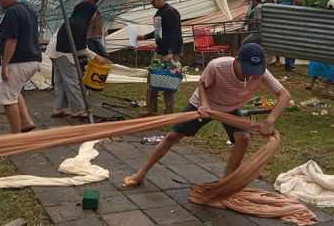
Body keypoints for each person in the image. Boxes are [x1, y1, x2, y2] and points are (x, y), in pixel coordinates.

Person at [119, 43, 291, 190]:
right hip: (204, 103)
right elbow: (202, 84)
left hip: (230, 108)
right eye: (246, 69)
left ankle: (225, 183)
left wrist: (270, 120)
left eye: (254, 70)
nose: (250, 75)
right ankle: (140, 174)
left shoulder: (260, 73)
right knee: (173, 136)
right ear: (237, 60)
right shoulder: (218, 66)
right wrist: (205, 105)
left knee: (243, 138)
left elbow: (284, 95)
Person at [46, 2, 108, 119]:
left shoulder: (73, 20)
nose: (94, 16)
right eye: (94, 13)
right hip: (62, 52)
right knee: (72, 81)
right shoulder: (80, 24)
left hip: (54, 51)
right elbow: (80, 48)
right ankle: (77, 110)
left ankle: (58, 108)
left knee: (61, 82)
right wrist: (95, 56)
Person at [0, 0, 42, 134]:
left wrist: (5, 65)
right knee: (15, 91)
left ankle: (16, 136)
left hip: (19, 60)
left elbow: (11, 40)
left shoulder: (12, 12)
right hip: (33, 58)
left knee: (7, 99)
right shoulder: (28, 9)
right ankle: (26, 122)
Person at [136, 0, 183, 115]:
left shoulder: (172, 12)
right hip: (159, 50)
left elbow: (175, 32)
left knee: (168, 82)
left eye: (153, 1)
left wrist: (171, 52)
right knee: (152, 79)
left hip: (170, 53)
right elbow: (158, 32)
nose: (152, 4)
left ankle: (169, 111)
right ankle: (151, 109)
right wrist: (144, 37)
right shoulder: (158, 14)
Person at [306, 0, 334, 94]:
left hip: (320, 45)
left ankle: (312, 84)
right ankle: (326, 88)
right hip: (332, 47)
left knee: (316, 63)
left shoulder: (322, 17)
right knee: (333, 66)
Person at [283, 0, 304, 71]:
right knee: (287, 47)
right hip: (287, 29)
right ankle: (288, 64)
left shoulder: (302, 8)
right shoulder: (287, 5)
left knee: (294, 47)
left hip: (296, 30)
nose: (299, 0)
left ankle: (290, 64)